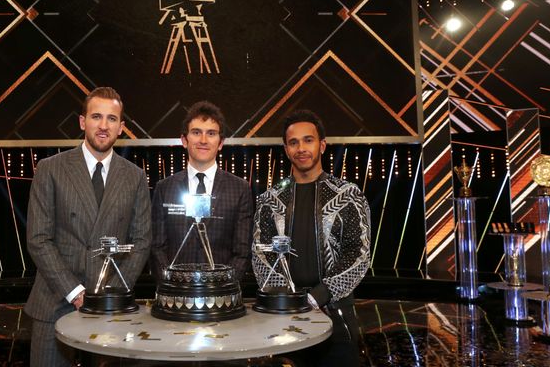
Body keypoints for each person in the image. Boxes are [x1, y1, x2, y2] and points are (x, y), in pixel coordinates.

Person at [24, 87, 151, 366]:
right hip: (55, 301)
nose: (103, 126)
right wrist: (75, 292)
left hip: (110, 308)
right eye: (96, 116)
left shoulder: (135, 177)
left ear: (121, 128)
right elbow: (38, 238)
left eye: (111, 119)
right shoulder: (50, 168)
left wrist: (111, 293)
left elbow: (141, 241)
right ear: (83, 122)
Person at [252, 109, 370, 366]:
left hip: (336, 314)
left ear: (322, 145)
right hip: (284, 317)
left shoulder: (348, 195)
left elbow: (358, 254)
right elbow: (262, 255)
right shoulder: (270, 200)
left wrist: (318, 296)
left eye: (308, 140)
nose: (301, 148)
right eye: (293, 142)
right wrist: (288, 298)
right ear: (286, 149)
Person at [150, 101, 253, 280]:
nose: (203, 140)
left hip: (221, 297)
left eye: (211, 133)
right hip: (175, 295)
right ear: (184, 140)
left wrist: (220, 287)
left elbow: (242, 252)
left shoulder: (240, 189)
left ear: (220, 143)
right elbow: (157, 247)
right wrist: (173, 285)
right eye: (196, 132)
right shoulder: (164, 188)